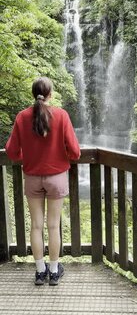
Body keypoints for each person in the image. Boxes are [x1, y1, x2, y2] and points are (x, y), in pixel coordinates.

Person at [5, 77, 80, 286]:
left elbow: (11, 152)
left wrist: (28, 156)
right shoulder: (62, 115)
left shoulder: (22, 117)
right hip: (56, 178)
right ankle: (54, 272)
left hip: (32, 177)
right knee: (53, 226)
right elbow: (75, 152)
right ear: (50, 94)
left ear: (33, 94)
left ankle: (40, 272)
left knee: (36, 226)